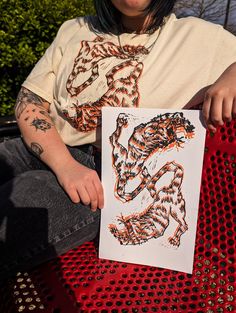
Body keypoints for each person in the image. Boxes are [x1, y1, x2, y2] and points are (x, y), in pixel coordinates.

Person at [0, 0, 235, 283]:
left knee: (23, 199)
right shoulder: (74, 29)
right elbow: (30, 101)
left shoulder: (201, 38)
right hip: (45, 148)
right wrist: (65, 164)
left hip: (112, 177)